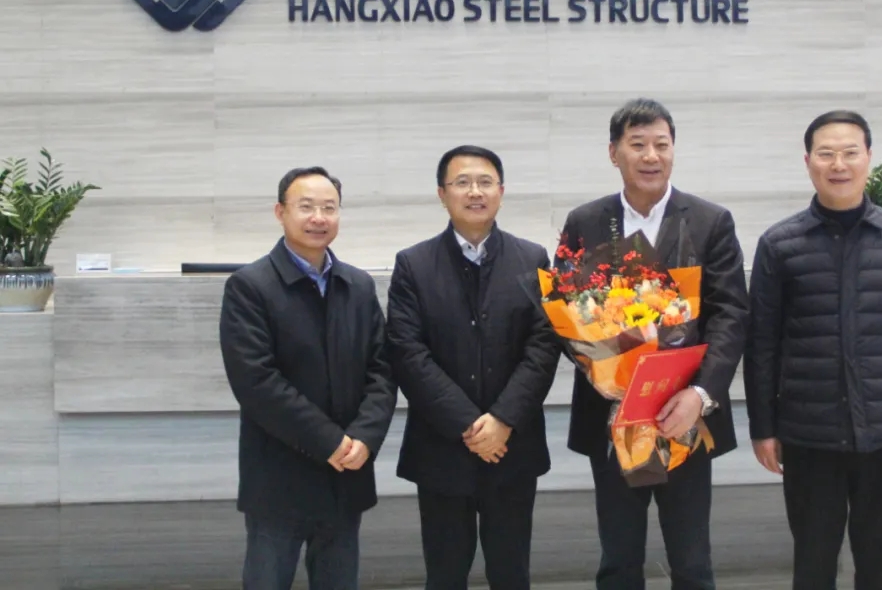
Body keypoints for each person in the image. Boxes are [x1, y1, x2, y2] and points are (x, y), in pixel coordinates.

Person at [743, 110, 882, 590]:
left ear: (868, 158)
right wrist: (763, 428)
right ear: (808, 162)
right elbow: (761, 345)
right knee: (813, 562)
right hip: (808, 432)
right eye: (826, 154)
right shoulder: (780, 243)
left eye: (850, 153)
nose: (839, 164)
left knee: (880, 563)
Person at [560, 99, 750, 590]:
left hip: (686, 416)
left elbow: (730, 316)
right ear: (613, 153)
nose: (651, 156)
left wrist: (700, 395)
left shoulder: (710, 221)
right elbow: (565, 311)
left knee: (692, 560)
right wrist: (607, 374)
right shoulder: (585, 222)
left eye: (661, 145)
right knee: (618, 558)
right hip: (613, 418)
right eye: (638, 144)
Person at [386, 145, 562, 590]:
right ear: (442, 193)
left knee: (512, 573)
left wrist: (502, 420)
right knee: (445, 574)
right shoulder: (413, 264)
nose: (475, 192)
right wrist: (469, 424)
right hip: (442, 447)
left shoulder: (532, 259)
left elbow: (544, 347)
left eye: (485, 182)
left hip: (513, 446)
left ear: (501, 191)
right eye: (462, 182)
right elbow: (408, 352)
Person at [219, 166, 397, 590]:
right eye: (307, 207)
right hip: (278, 476)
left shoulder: (357, 285)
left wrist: (364, 437)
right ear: (280, 212)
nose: (319, 217)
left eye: (329, 208)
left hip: (346, 472)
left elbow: (383, 369)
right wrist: (330, 441)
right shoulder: (250, 286)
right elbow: (256, 382)